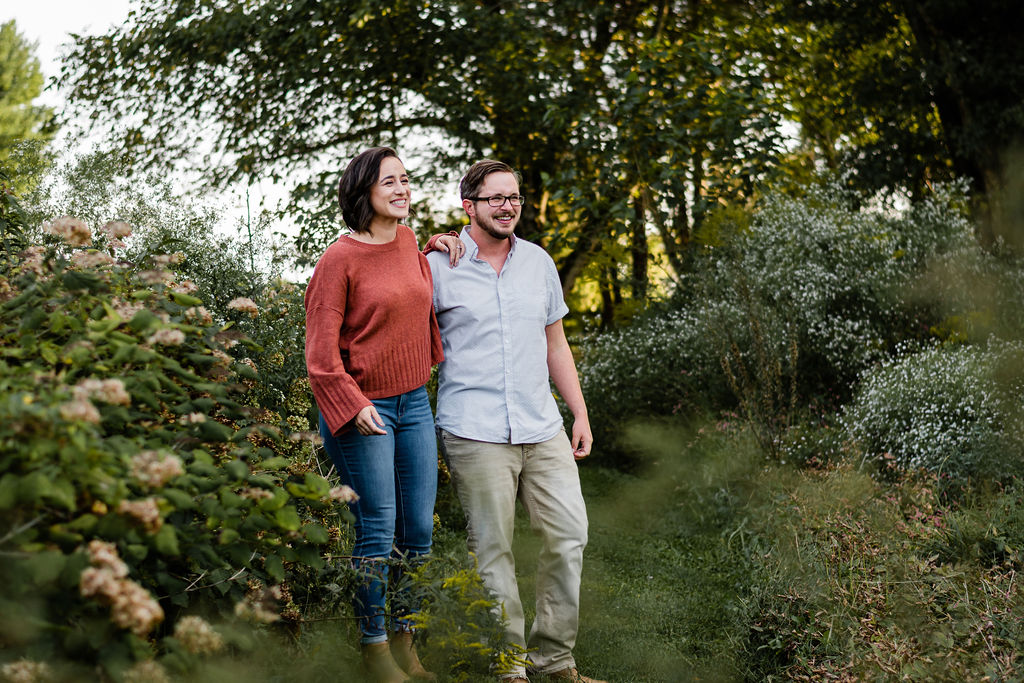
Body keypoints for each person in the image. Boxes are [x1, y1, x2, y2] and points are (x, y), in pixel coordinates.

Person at [425, 160, 606, 683]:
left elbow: (556, 343)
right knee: (492, 547)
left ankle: (554, 659)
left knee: (568, 534)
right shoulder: (439, 267)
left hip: (540, 423)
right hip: (473, 429)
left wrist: (579, 412)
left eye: (514, 198)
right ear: (469, 207)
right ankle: (509, 666)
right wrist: (430, 245)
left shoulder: (539, 263)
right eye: (495, 198)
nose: (507, 207)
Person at [304, 147, 463, 683]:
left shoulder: (411, 242)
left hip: (414, 401)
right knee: (377, 529)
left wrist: (436, 246)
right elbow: (321, 359)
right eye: (389, 182)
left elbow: (411, 292)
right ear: (363, 192)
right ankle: (373, 649)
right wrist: (354, 406)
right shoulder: (338, 260)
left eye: (406, 180)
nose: (402, 189)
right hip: (361, 410)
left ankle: (405, 638)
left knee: (417, 530)